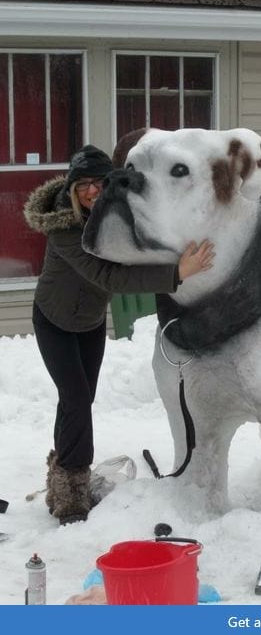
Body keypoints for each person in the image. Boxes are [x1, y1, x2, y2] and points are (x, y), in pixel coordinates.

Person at [24, 145, 214, 525]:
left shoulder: (111, 217)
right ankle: (71, 495)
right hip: (55, 320)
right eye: (83, 186)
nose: (92, 191)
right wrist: (178, 273)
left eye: (99, 183)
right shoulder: (64, 229)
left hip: (90, 321)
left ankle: (62, 471)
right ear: (73, 189)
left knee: (79, 398)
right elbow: (108, 276)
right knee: (76, 398)